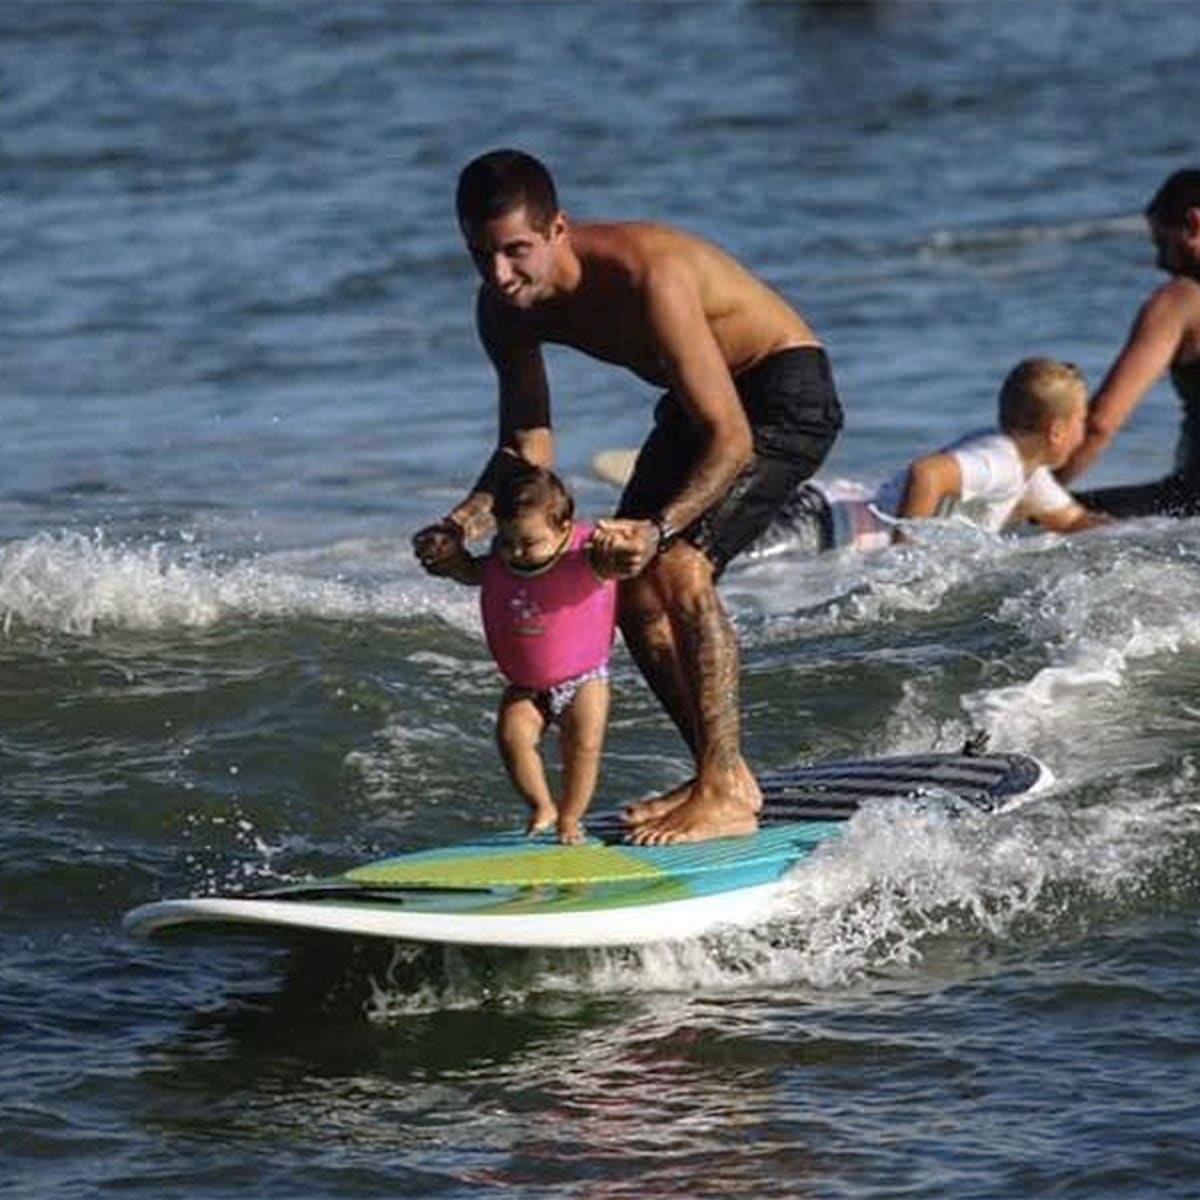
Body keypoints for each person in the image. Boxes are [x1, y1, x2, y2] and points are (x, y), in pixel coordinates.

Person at [413, 148, 843, 845]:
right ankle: (724, 777)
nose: (498, 274)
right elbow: (527, 448)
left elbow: (731, 438)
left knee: (673, 565)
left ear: (559, 229)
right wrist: (461, 522)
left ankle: (720, 787)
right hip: (698, 406)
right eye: (479, 254)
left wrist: (660, 529)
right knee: (629, 588)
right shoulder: (504, 308)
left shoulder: (649, 274)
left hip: (781, 396)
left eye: (516, 251)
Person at [436, 461, 617, 844]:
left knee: (583, 746)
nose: (517, 552)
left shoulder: (586, 557)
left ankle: (570, 817)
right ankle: (541, 805)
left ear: (564, 528)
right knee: (511, 736)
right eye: (507, 541)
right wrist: (449, 559)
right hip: (525, 684)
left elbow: (619, 564)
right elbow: (470, 572)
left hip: (584, 678)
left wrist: (620, 547)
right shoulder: (503, 561)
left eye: (530, 543)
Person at [762, 358, 1106, 553]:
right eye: (1081, 419)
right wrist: (904, 560)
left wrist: (1152, 536)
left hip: (822, 522)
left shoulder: (1027, 471)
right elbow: (929, 474)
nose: (1084, 431)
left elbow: (1075, 523)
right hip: (816, 526)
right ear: (1057, 431)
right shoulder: (1001, 460)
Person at [1056, 169, 1200, 516]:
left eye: (1163, 243)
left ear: (1195, 224)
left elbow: (1101, 424)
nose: (1159, 262)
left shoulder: (1181, 301)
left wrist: (1038, 496)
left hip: (1190, 503)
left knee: (1041, 522)